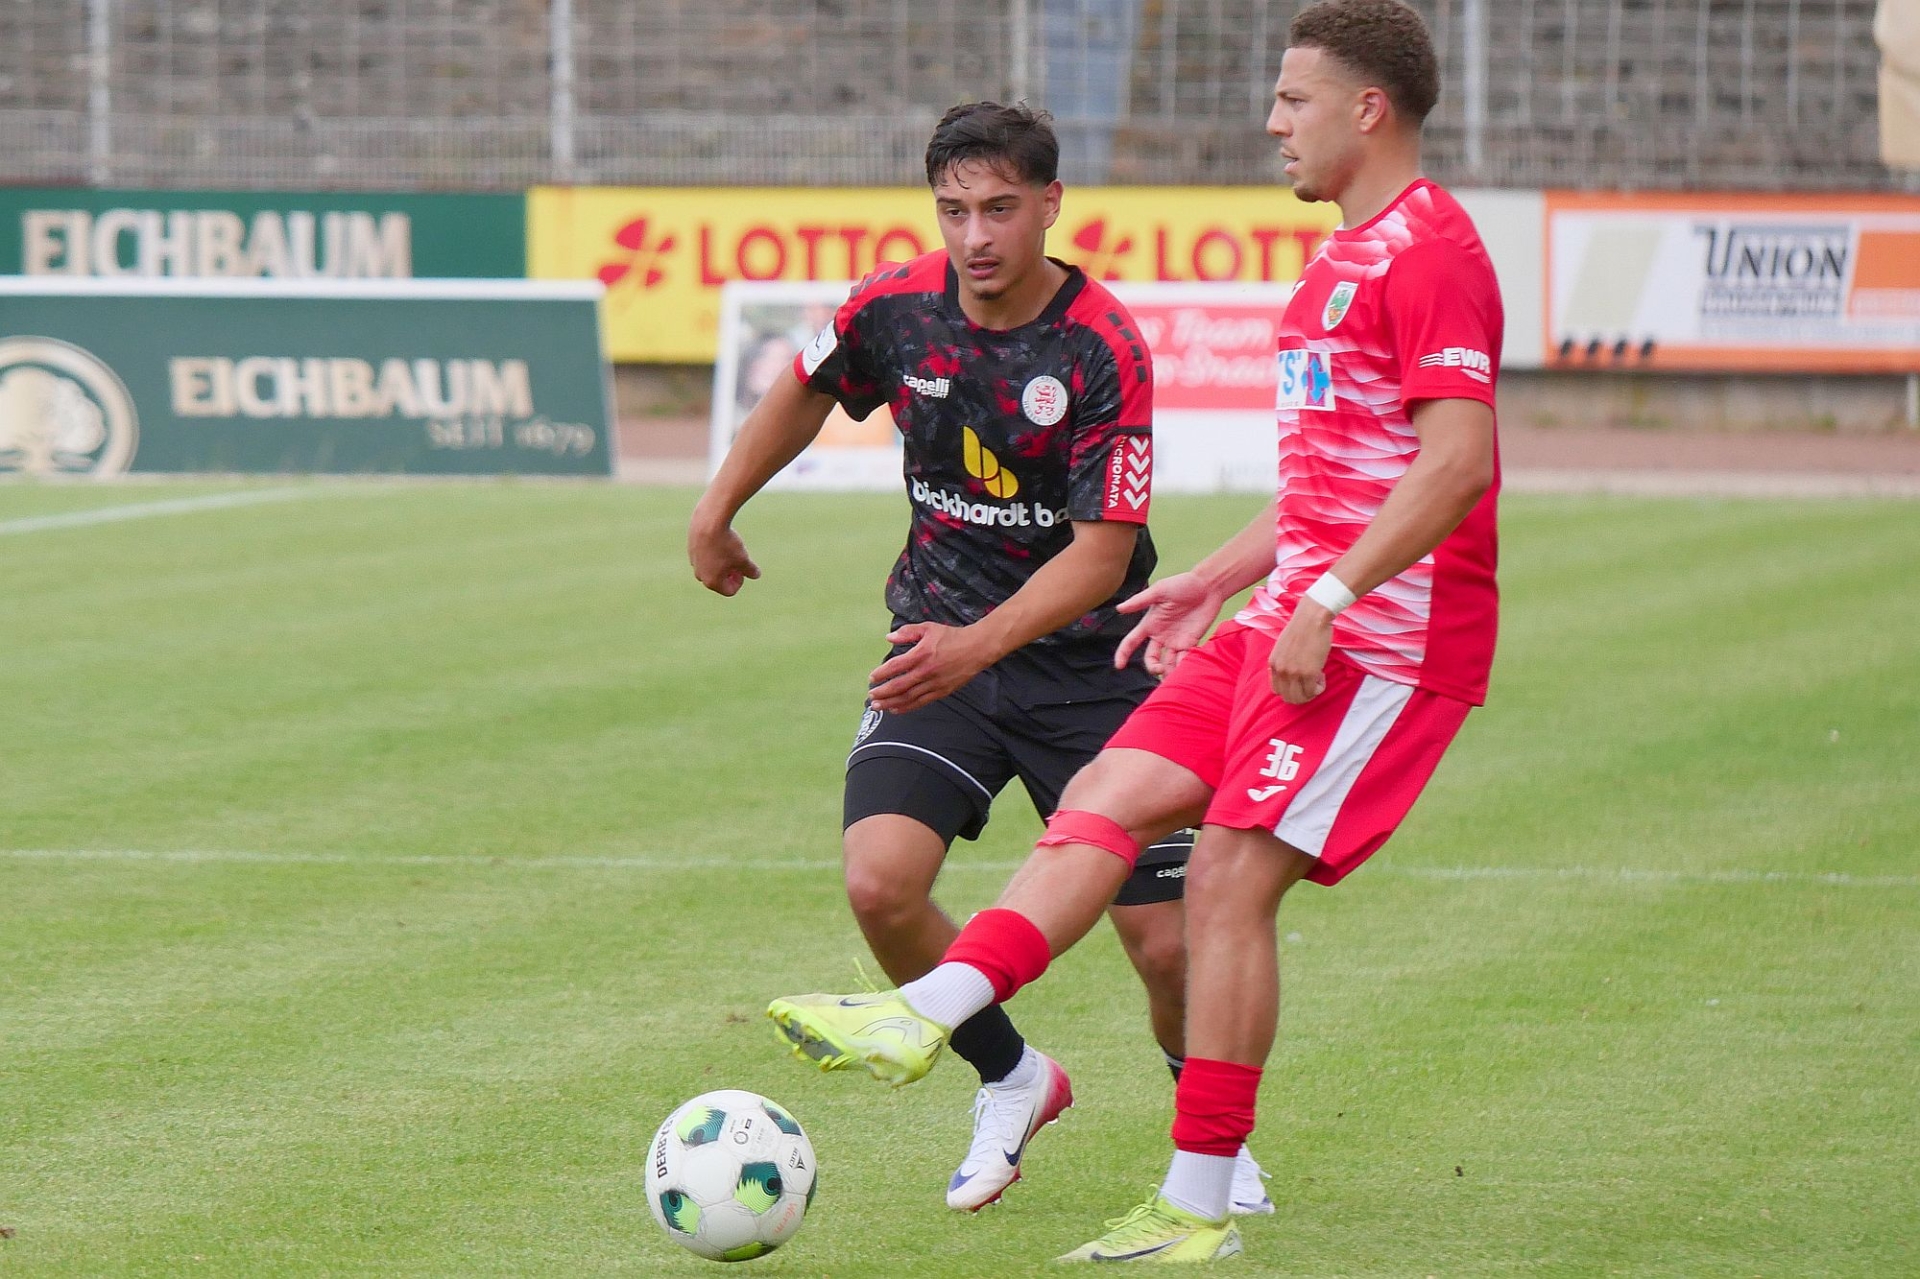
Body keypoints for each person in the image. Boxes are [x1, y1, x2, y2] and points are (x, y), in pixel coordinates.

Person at [765, 0, 1502, 1261]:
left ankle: (1200, 1201)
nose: (1272, 121)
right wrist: (1218, 577)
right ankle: (929, 1013)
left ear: (1368, 109)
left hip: (1385, 641)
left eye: (1294, 99)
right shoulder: (1342, 258)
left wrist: (1326, 599)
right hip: (1289, 612)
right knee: (1107, 794)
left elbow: (1457, 465)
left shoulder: (1429, 252)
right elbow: (1341, 482)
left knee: (1222, 883)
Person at [690, 101, 1270, 1215]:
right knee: (880, 884)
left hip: (1095, 670)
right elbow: (807, 385)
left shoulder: (1100, 345)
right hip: (940, 649)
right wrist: (716, 508)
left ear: (1051, 204)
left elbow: (1103, 555)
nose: (975, 236)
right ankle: (1012, 1076)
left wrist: (978, 645)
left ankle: (1212, 1139)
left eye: (1000, 208)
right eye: (953, 210)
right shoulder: (895, 307)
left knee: (1164, 945)